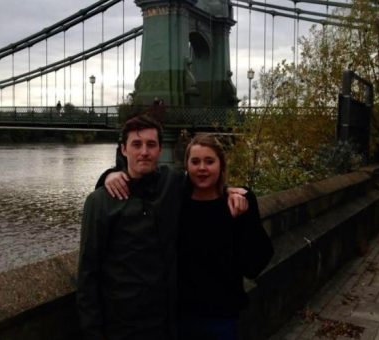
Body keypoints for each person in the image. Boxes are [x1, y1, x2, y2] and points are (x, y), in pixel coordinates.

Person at [77, 115, 248, 340]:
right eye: (136, 145)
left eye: (151, 145)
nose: (144, 152)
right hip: (123, 326)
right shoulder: (100, 202)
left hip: (167, 323)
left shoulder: (173, 183)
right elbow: (88, 272)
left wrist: (229, 192)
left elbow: (205, 180)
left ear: (159, 149)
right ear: (123, 150)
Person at [177, 134, 273, 340]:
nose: (202, 167)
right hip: (180, 314)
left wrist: (244, 218)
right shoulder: (176, 203)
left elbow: (255, 262)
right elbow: (143, 179)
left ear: (221, 165)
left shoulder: (236, 204)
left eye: (209, 161)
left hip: (221, 315)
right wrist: (110, 175)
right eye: (195, 161)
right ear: (186, 166)